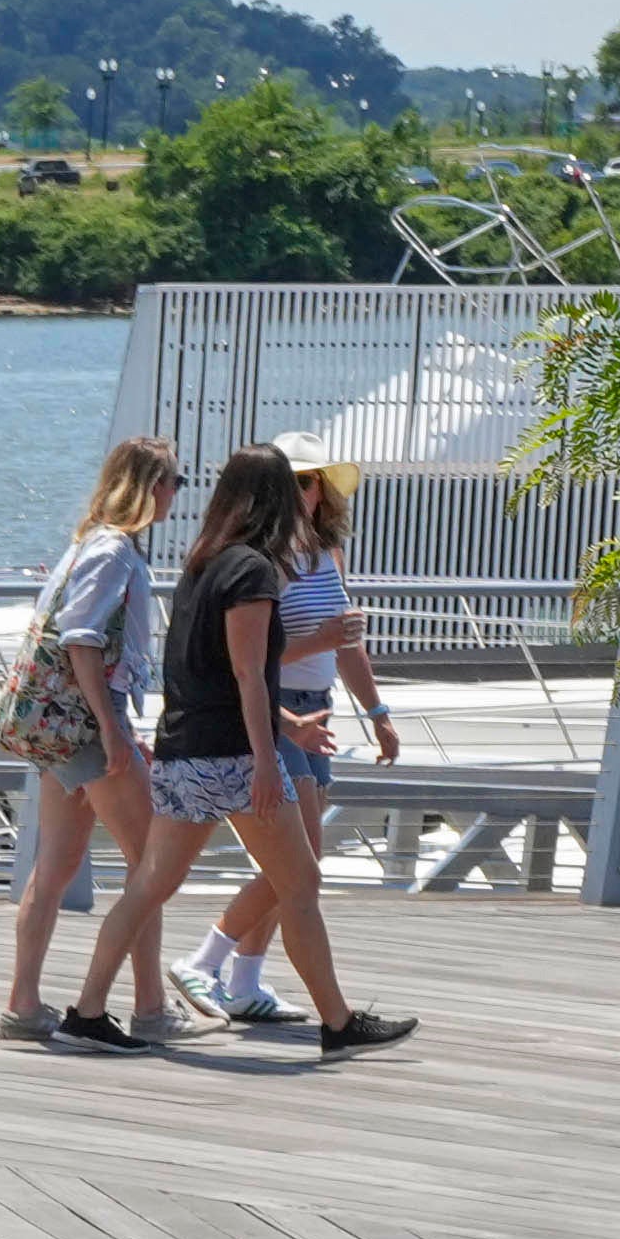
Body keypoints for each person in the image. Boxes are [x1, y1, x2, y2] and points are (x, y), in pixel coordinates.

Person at [62, 442, 413, 1058]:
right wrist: (265, 761)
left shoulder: (202, 563)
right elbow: (249, 674)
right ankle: (338, 1024)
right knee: (300, 882)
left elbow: (206, 668)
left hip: (181, 750)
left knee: (148, 886)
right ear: (278, 499)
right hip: (231, 755)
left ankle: (87, 1012)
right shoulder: (251, 570)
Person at [200, 449, 398, 1028]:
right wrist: (324, 639)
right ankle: (206, 959)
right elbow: (249, 658)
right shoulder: (262, 562)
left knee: (294, 862)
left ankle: (245, 979)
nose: (305, 492)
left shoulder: (325, 554)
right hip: (277, 708)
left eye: (314, 482)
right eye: (295, 481)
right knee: (299, 862)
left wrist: (378, 711)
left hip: (319, 710)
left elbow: (348, 645)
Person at [0, 439, 175, 1046]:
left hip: (60, 727)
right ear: (147, 488)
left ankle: (23, 1006)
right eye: (171, 482)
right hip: (87, 726)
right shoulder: (113, 550)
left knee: (55, 869)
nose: (177, 494)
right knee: (151, 863)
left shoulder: (88, 543)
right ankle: (146, 1007)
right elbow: (81, 637)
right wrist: (114, 728)